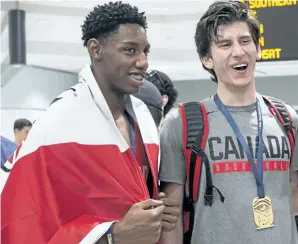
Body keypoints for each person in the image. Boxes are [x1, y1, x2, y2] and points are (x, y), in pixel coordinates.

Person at [1, 2, 180, 243]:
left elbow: (125, 197)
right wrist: (111, 236)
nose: (143, 62)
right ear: (95, 49)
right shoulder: (58, 123)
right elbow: (22, 221)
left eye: (145, 51)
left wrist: (157, 208)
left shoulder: (144, 118)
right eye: (130, 50)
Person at [158, 1, 298, 243]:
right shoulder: (181, 123)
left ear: (258, 49)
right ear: (206, 59)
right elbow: (172, 218)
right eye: (225, 44)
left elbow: (289, 196)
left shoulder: (285, 117)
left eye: (245, 41)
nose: (238, 51)